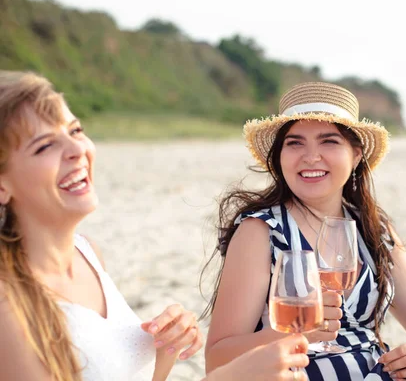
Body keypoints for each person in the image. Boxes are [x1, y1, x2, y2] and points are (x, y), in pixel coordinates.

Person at [0, 71, 311, 381]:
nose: (77, 150)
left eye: (76, 130)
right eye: (44, 146)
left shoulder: (87, 254)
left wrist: (164, 350)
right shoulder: (8, 302)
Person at [202, 82, 406, 380]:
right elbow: (217, 362)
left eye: (329, 141)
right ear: (279, 155)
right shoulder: (261, 231)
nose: (310, 157)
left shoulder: (375, 231)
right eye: (295, 143)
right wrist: (295, 335)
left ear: (356, 155)